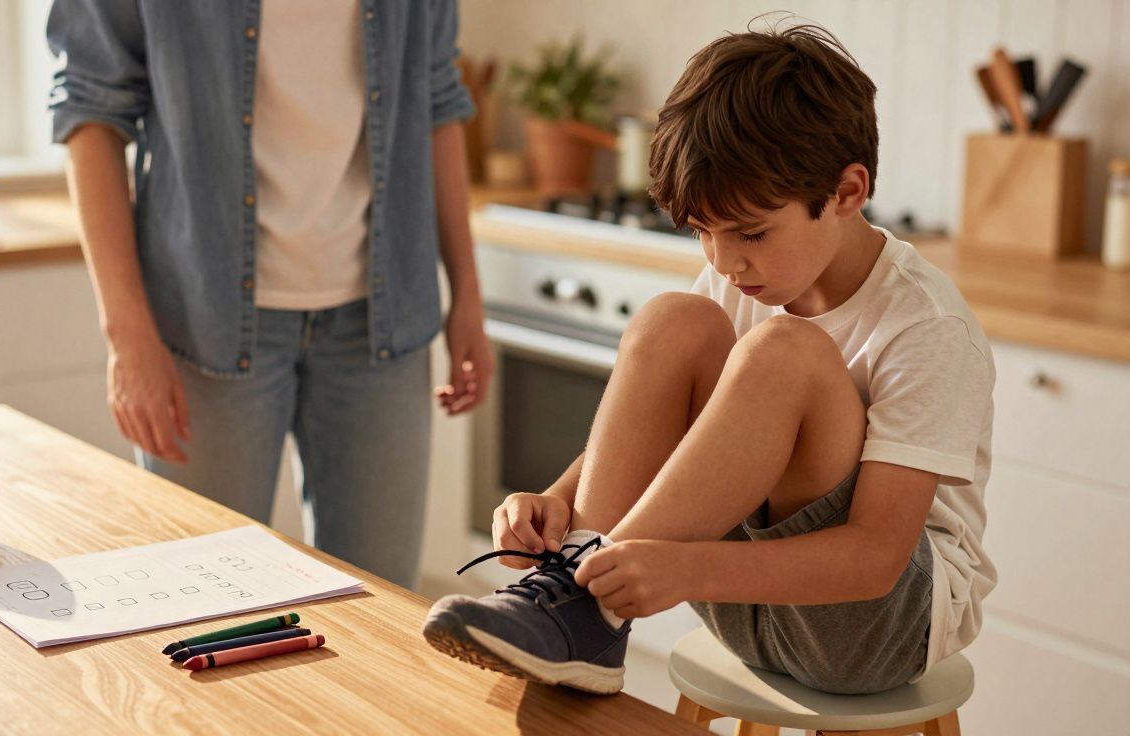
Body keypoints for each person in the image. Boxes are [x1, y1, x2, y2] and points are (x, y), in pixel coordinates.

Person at [424, 21, 997, 696]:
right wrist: (559, 498)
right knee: (677, 319)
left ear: (846, 193)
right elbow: (685, 440)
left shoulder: (925, 325)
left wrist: (685, 569)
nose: (726, 261)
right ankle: (582, 593)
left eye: (751, 231)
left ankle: (583, 605)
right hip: (750, 604)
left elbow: (875, 559)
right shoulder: (738, 278)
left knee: (786, 351)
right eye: (703, 231)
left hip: (871, 628)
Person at [47, 1, 493, 589]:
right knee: (202, 602)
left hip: (379, 326)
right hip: (204, 323)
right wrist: (127, 335)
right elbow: (90, 114)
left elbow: (439, 101)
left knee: (378, 611)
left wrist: (466, 294)